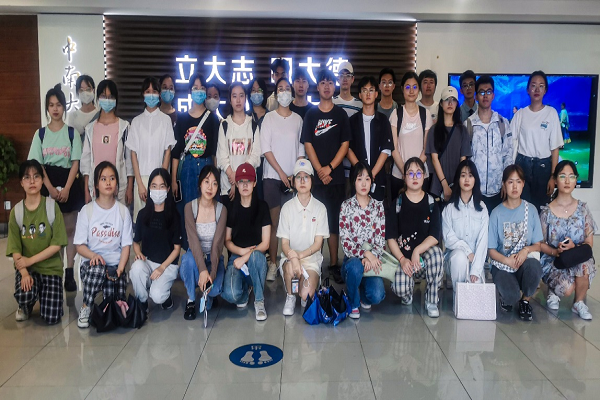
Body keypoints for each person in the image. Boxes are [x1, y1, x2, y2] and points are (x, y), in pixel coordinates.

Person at [28, 84, 84, 292]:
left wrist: (67, 188)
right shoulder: (40, 134)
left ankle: (69, 272)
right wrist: (50, 189)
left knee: (69, 230)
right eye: (51, 105)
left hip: (70, 183)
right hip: (47, 184)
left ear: (64, 107)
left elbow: (76, 163)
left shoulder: (71, 133)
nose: (55, 109)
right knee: (51, 232)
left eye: (59, 104)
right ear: (47, 108)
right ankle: (55, 273)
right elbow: (37, 165)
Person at [301, 69, 351, 282]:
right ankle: (316, 263)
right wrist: (320, 170)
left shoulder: (340, 114)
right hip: (317, 179)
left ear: (334, 85)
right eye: (323, 82)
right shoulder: (311, 114)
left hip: (336, 178)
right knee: (316, 222)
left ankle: (333, 264)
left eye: (330, 82)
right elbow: (308, 144)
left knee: (333, 222)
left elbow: (345, 144)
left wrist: (329, 168)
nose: (327, 86)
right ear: (318, 87)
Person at [7, 160, 67, 324]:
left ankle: (45, 294)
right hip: (28, 270)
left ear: (42, 180)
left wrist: (31, 260)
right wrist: (24, 272)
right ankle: (25, 305)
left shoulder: (52, 207)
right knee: (25, 294)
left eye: (36, 176)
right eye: (27, 177)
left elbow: (57, 244)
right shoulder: (17, 212)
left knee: (52, 318)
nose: (32, 181)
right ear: (21, 182)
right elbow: (15, 249)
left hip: (50, 269)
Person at [74, 161, 133, 329]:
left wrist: (120, 269)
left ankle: (103, 301)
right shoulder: (87, 211)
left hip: (115, 266)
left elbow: (126, 246)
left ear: (117, 183)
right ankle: (86, 306)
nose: (108, 182)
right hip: (92, 265)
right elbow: (79, 245)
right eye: (103, 179)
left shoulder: (122, 211)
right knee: (98, 269)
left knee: (115, 308)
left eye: (112, 178)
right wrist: (93, 255)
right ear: (96, 185)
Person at [386, 157, 444, 318]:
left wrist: (417, 251)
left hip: (424, 261)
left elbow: (435, 236)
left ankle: (431, 300)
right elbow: (390, 237)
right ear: (404, 177)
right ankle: (407, 293)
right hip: (404, 261)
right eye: (410, 173)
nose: (414, 177)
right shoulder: (397, 203)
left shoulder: (431, 202)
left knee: (437, 255)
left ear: (424, 176)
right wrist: (402, 259)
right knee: (399, 288)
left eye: (418, 173)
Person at [539, 161, 597, 320]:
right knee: (568, 289)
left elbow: (589, 244)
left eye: (571, 177)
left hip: (576, 258)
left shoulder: (583, 209)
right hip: (555, 261)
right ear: (555, 180)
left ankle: (579, 303)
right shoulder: (546, 212)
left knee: (584, 265)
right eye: (562, 176)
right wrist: (555, 251)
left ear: (576, 180)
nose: (567, 181)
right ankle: (553, 290)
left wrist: (574, 247)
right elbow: (539, 244)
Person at [260, 78, 305, 281]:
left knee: (290, 225)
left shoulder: (298, 119)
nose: (284, 92)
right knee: (273, 223)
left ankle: (289, 262)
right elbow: (266, 148)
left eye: (287, 89)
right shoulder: (269, 118)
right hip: (272, 177)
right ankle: (272, 263)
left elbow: (301, 150)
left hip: (292, 180)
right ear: (276, 94)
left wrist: (295, 173)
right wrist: (280, 172)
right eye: (281, 89)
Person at [171, 73, 220, 249]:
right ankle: (190, 251)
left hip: (207, 167)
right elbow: (176, 152)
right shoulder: (183, 118)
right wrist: (174, 179)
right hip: (188, 169)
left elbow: (215, 151)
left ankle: (207, 250)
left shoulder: (212, 118)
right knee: (188, 210)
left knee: (207, 209)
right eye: (195, 88)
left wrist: (216, 177)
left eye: (202, 88)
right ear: (190, 91)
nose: (199, 91)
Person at [488, 164, 543, 321]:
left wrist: (525, 251)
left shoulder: (531, 210)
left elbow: (538, 245)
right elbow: (491, 250)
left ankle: (525, 300)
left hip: (523, 263)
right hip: (502, 265)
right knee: (511, 297)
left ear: (523, 184)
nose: (514, 186)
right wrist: (507, 261)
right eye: (510, 182)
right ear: (504, 184)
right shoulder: (496, 213)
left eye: (518, 182)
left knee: (534, 267)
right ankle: (507, 296)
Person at [278, 159, 329, 316]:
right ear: (293, 181)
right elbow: (284, 243)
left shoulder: (320, 208)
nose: (302, 181)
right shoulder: (287, 208)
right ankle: (290, 296)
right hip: (290, 259)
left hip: (311, 261)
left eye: (306, 177)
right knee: (290, 269)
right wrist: (293, 258)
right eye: (298, 177)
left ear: (312, 181)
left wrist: (299, 256)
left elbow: (318, 243)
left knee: (306, 295)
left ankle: (307, 288)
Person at [221, 163, 271, 321]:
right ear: (236, 184)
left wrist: (246, 256)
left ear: (254, 183)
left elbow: (265, 244)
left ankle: (259, 301)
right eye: (241, 181)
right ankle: (246, 290)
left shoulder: (262, 207)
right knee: (231, 295)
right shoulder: (231, 207)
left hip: (257, 257)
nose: (244, 185)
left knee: (256, 257)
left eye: (248, 181)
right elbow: (227, 240)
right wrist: (241, 253)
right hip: (237, 258)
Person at [130, 168, 182, 312]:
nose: (157, 190)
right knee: (136, 269)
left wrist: (162, 268)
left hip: (167, 265)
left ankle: (166, 296)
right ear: (149, 188)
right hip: (148, 261)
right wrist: (138, 253)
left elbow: (177, 249)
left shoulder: (174, 216)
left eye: (162, 186)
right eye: (154, 186)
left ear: (168, 189)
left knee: (157, 296)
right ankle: (142, 302)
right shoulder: (143, 214)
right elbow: (136, 242)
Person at [179, 165, 227, 320]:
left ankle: (209, 294)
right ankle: (191, 300)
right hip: (194, 257)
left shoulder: (221, 210)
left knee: (215, 289)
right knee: (187, 260)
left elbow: (217, 245)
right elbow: (193, 242)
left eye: (214, 183)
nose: (210, 187)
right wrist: (202, 270)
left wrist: (211, 275)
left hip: (214, 259)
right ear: (200, 183)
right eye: (207, 182)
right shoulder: (190, 207)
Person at [340, 162, 387, 319]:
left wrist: (372, 257)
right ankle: (353, 303)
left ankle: (360, 295)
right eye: (359, 179)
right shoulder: (346, 206)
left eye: (367, 179)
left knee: (377, 295)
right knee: (355, 267)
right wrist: (366, 254)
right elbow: (346, 243)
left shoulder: (378, 207)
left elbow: (380, 241)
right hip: (352, 261)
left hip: (372, 262)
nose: (364, 183)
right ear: (353, 181)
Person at [511, 71, 563, 212]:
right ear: (528, 89)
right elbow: (511, 144)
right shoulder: (520, 114)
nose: (537, 89)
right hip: (522, 166)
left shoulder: (551, 113)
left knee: (542, 210)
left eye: (541, 86)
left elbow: (555, 148)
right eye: (533, 85)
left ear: (545, 90)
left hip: (543, 169)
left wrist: (553, 176)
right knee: (522, 209)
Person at [127, 77, 176, 222]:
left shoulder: (166, 120)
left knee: (159, 221)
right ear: (143, 94)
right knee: (141, 222)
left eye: (154, 91)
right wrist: (139, 184)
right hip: (141, 179)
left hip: (159, 180)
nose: (151, 94)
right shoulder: (136, 121)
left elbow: (168, 152)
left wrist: (162, 180)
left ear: (159, 94)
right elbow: (133, 154)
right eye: (148, 91)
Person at [80, 79, 134, 205]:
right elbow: (86, 162)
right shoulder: (90, 128)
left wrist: (130, 188)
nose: (107, 100)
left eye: (111, 97)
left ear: (116, 100)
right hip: (96, 189)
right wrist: (86, 190)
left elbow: (129, 161)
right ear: (98, 98)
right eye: (104, 96)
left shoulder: (124, 127)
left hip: (119, 189)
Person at [467, 75, 513, 213]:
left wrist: (506, 182)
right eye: (481, 92)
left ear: (493, 95)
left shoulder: (502, 123)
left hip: (499, 190)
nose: (485, 95)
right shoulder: (468, 124)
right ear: (476, 96)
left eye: (488, 92)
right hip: (475, 190)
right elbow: (465, 159)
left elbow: (508, 155)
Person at [442, 159, 489, 288]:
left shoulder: (482, 208)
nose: (467, 179)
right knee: (459, 257)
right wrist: (467, 252)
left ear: (475, 180)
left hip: (476, 261)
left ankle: (468, 290)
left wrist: (476, 269)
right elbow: (449, 239)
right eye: (463, 175)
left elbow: (483, 240)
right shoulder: (449, 209)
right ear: (458, 179)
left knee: (475, 287)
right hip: (454, 260)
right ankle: (457, 295)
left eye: (470, 175)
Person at [216, 82, 262, 209]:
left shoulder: (253, 125)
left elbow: (255, 156)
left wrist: (239, 178)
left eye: (241, 96)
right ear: (230, 100)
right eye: (234, 96)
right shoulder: (224, 125)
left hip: (248, 186)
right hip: (228, 189)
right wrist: (233, 178)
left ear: (245, 98)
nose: (238, 100)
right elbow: (222, 157)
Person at [347, 76, 393, 201]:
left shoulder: (383, 120)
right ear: (360, 95)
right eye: (364, 90)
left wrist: (371, 175)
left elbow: (386, 150)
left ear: (376, 94)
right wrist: (361, 173)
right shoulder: (352, 121)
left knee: (377, 209)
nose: (368, 94)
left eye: (371, 90)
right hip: (357, 177)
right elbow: (348, 149)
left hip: (378, 177)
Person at [390, 72, 434, 198]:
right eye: (407, 87)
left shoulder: (426, 114)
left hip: (421, 176)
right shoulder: (396, 114)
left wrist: (414, 173)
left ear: (419, 89)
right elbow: (393, 148)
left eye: (415, 87)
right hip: (399, 175)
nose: (411, 91)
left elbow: (426, 149)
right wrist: (406, 172)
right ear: (402, 89)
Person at [426, 86, 471, 200]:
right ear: (441, 104)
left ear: (457, 104)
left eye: (453, 100)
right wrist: (445, 185)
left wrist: (457, 184)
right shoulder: (433, 130)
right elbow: (434, 159)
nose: (450, 103)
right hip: (438, 185)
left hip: (458, 184)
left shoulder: (462, 130)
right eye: (447, 99)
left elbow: (463, 160)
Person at [332, 61, 363, 196]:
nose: (344, 79)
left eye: (348, 75)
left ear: (353, 79)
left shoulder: (360, 105)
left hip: (354, 167)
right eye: (341, 75)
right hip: (335, 167)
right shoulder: (331, 103)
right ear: (337, 79)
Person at [68, 75, 99, 140]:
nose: (85, 93)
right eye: (81, 90)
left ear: (93, 91)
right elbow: (71, 140)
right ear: (78, 93)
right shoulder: (73, 116)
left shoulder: (99, 114)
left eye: (88, 89)